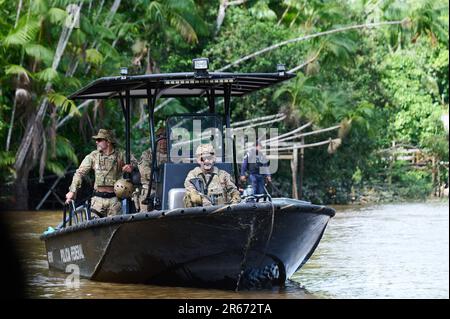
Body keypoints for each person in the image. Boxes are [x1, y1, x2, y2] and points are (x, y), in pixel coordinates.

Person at [65, 129, 134, 217]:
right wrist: (72, 191)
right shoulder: (93, 156)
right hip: (97, 200)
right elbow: (79, 173)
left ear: (108, 141)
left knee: (114, 225)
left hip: (115, 200)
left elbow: (136, 164)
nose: (96, 142)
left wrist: (130, 167)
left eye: (99, 140)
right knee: (94, 226)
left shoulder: (121, 154)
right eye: (96, 140)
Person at [135, 127, 168, 212]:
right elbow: (144, 170)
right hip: (150, 190)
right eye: (160, 138)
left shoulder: (174, 154)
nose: (163, 141)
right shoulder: (148, 154)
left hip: (168, 189)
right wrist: (158, 176)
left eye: (165, 138)